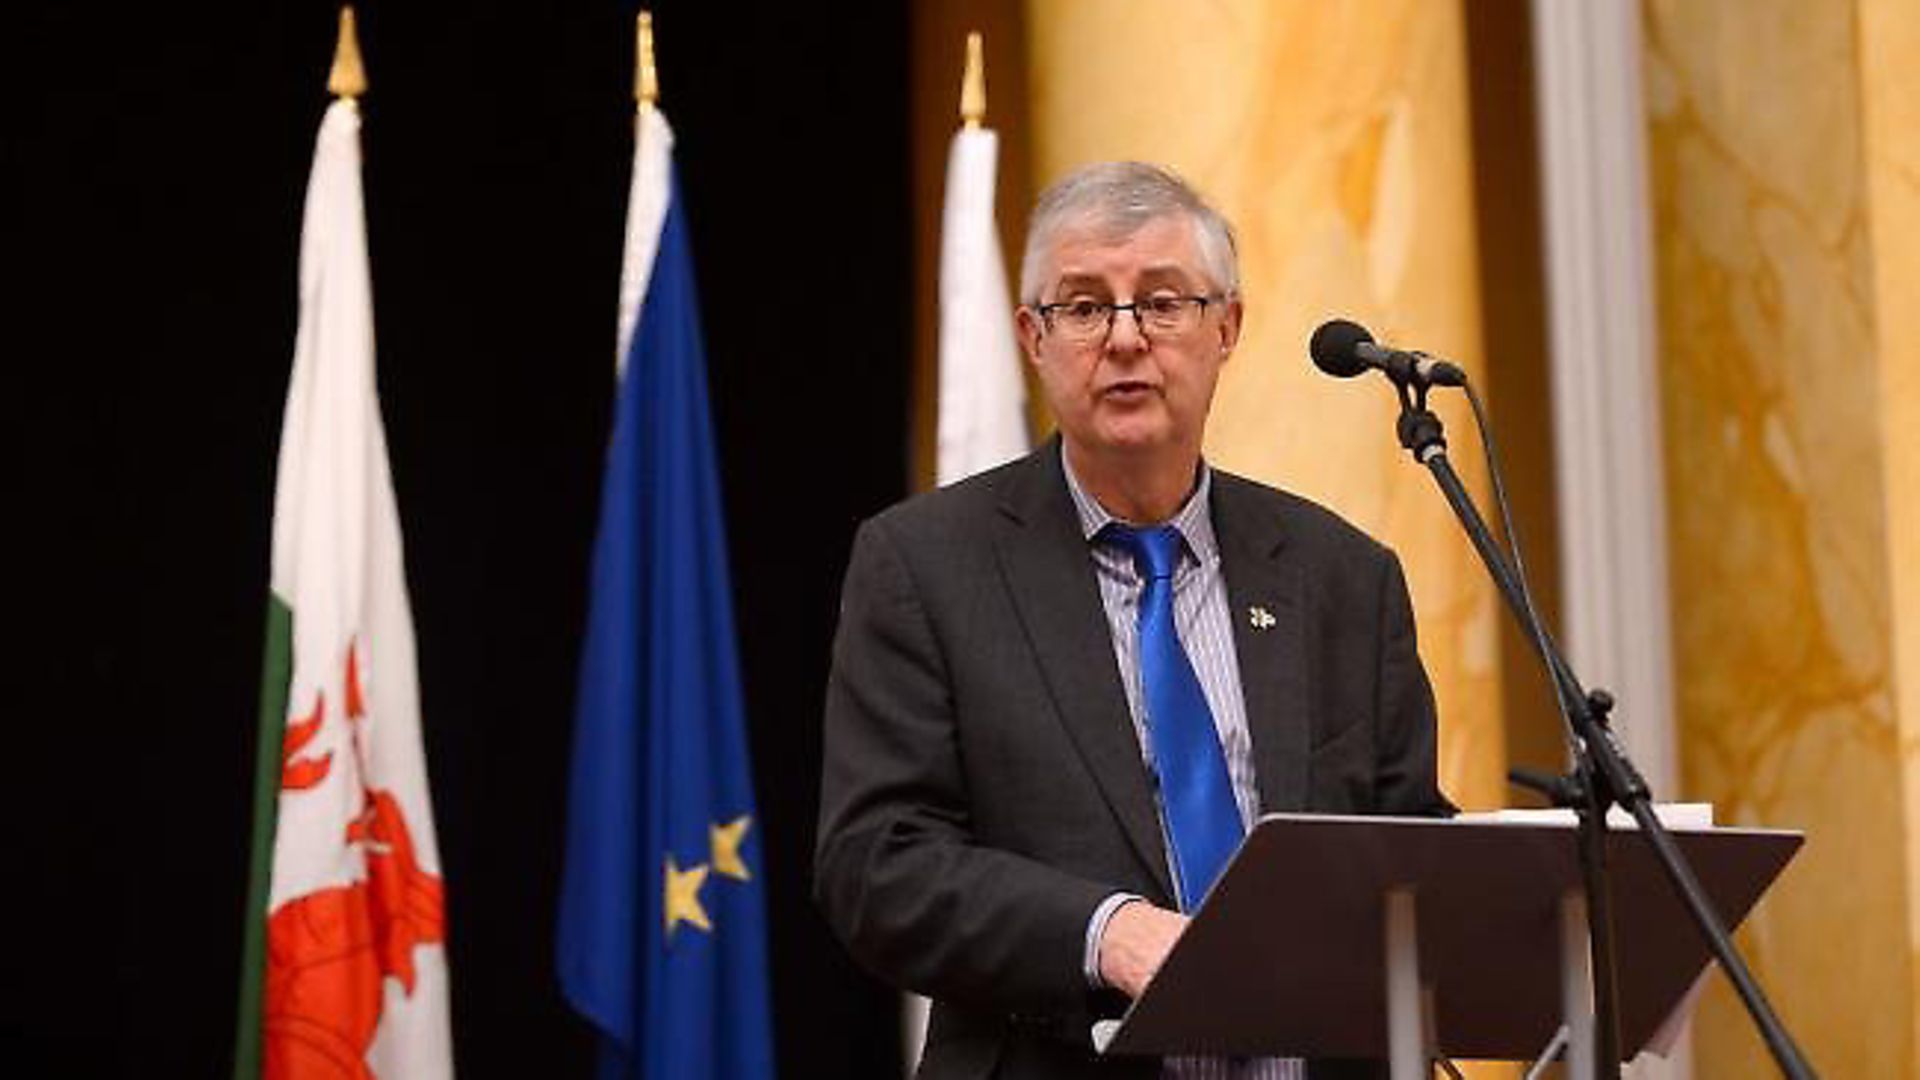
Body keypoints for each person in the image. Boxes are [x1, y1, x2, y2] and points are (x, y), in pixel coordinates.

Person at [815, 162, 1453, 1080]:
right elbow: (878, 865)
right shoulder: (925, 566)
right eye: (1082, 307)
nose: (1124, 340)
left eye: (1162, 303)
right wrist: (1103, 932)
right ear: (1033, 338)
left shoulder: (1342, 578)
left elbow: (1407, 849)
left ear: (1226, 328)